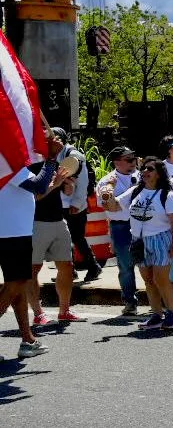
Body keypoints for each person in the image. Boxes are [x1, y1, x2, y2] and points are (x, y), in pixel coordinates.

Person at [105, 157, 173, 331]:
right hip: (138, 240)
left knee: (161, 279)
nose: (145, 171)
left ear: (159, 174)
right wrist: (109, 190)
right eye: (144, 168)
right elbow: (113, 207)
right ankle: (156, 315)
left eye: (150, 169)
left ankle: (171, 314)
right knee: (148, 280)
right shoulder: (135, 191)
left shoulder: (167, 194)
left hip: (160, 238)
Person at [2, 153, 63, 359]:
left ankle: (27, 340)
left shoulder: (11, 165)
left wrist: (53, 185)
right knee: (17, 283)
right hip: (12, 233)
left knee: (17, 285)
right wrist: (51, 158)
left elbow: (32, 194)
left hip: (13, 232)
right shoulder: (7, 161)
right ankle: (27, 340)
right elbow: (38, 186)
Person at [29, 128, 84, 324]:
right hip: (35, 223)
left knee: (67, 266)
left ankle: (64, 311)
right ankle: (38, 314)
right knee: (33, 269)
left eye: (58, 138)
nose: (58, 141)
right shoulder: (30, 166)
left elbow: (67, 192)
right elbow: (34, 197)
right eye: (53, 138)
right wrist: (55, 183)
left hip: (58, 221)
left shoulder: (55, 164)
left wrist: (69, 184)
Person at [96, 147, 142, 315]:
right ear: (117, 162)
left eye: (134, 158)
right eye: (128, 160)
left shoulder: (144, 175)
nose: (133, 162)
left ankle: (157, 302)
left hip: (144, 223)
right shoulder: (106, 182)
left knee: (151, 263)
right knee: (126, 266)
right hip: (121, 226)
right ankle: (130, 301)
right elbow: (110, 207)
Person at [50, 128, 99, 284]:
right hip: (59, 203)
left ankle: (93, 266)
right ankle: (69, 271)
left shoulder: (74, 155)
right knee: (64, 238)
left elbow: (83, 182)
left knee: (77, 237)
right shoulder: (51, 154)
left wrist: (77, 203)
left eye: (55, 137)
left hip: (73, 204)